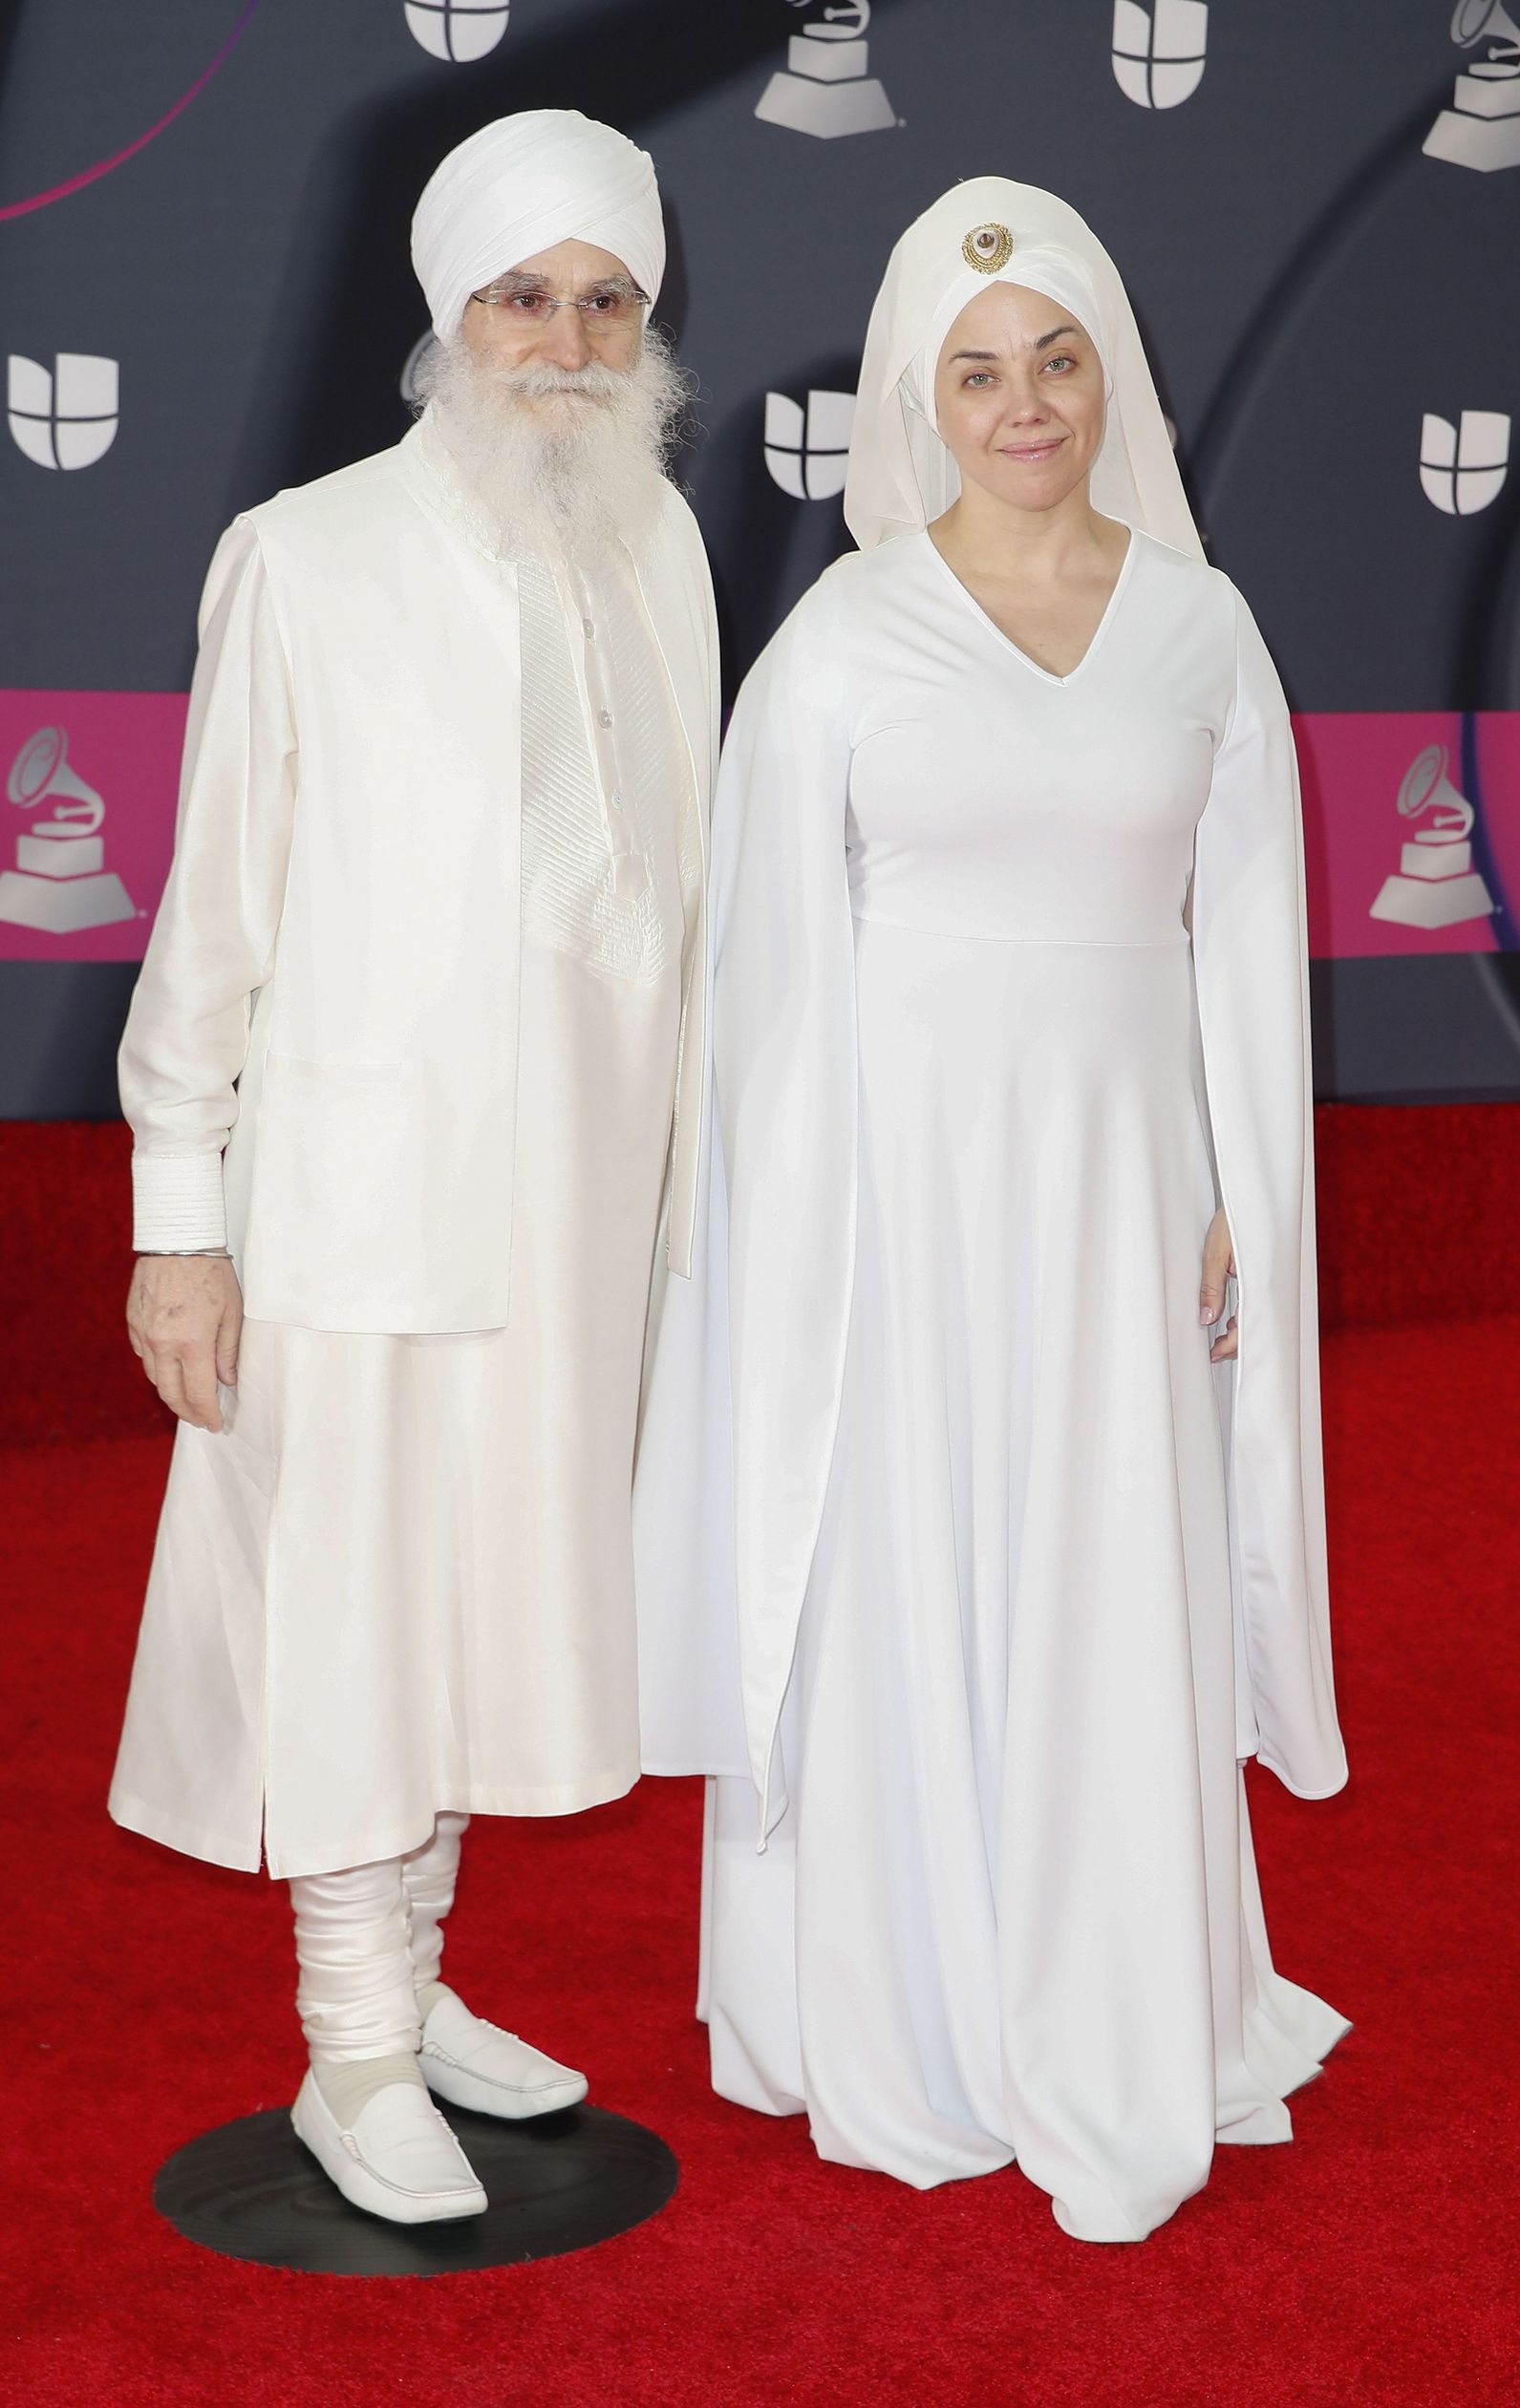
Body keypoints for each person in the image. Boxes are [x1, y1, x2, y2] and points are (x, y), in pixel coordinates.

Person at [634, 180, 1348, 2245]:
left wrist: (1232, 1178)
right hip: (893, 1210)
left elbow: (1243, 941)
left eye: (1054, 358)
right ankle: (910, 2005)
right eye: (974, 370)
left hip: (1122, 1200)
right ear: (914, 397)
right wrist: (776, 1251)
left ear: (1106, 369)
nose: (1021, 401)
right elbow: (759, 990)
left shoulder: (1201, 630)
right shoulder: (841, 638)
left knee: (1102, 1555)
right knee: (910, 1565)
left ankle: (1113, 1994)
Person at [111, 109, 717, 2225]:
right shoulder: (308, 553)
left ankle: (422, 1984)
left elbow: (684, 904)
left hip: (573, 1216)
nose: (561, 340)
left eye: (603, 300)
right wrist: (177, 1219)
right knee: (356, 1622)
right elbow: (215, 921)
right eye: (521, 296)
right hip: (353, 1216)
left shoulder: (658, 545)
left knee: (483, 1615)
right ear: (447, 314)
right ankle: (349, 2046)